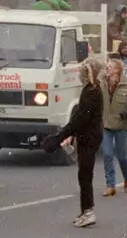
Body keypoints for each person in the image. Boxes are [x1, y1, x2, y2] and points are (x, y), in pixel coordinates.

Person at [44, 59, 105, 228]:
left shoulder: (92, 92)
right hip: (87, 137)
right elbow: (78, 115)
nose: (78, 74)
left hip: (90, 138)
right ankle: (85, 210)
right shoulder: (89, 90)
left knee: (85, 175)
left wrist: (60, 137)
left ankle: (88, 212)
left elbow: (80, 118)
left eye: (81, 71)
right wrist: (68, 135)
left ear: (87, 73)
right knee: (83, 174)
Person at [100, 58, 127, 196]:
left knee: (121, 155)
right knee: (107, 154)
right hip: (106, 125)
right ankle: (110, 185)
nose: (107, 68)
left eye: (110, 66)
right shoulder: (102, 84)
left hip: (121, 126)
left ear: (117, 70)